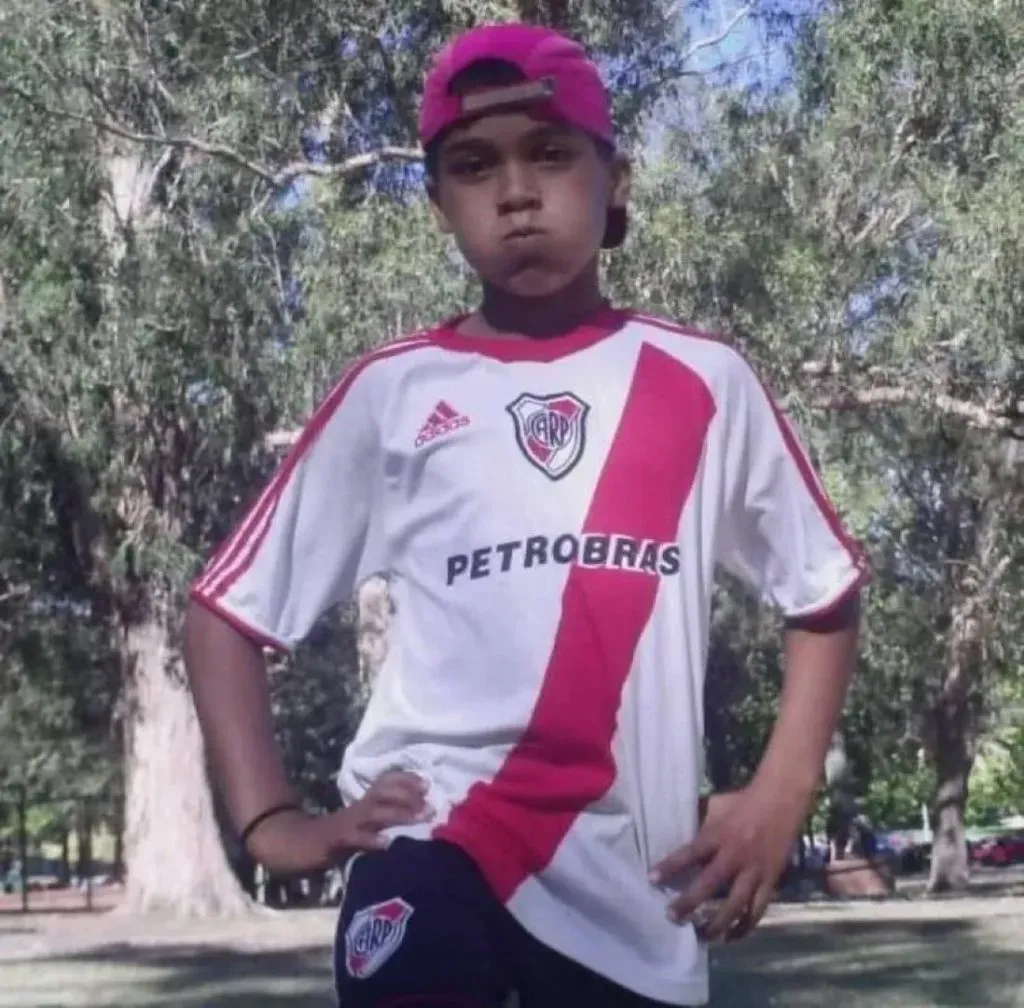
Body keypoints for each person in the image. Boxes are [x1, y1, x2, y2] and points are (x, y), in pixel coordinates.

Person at [184, 22, 867, 1008]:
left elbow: (824, 592)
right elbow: (225, 613)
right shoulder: (392, 394)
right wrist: (270, 822)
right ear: (436, 203)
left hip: (637, 893)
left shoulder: (703, 383)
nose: (515, 192)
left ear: (615, 177)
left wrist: (780, 791)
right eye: (473, 165)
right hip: (432, 840)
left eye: (550, 153)